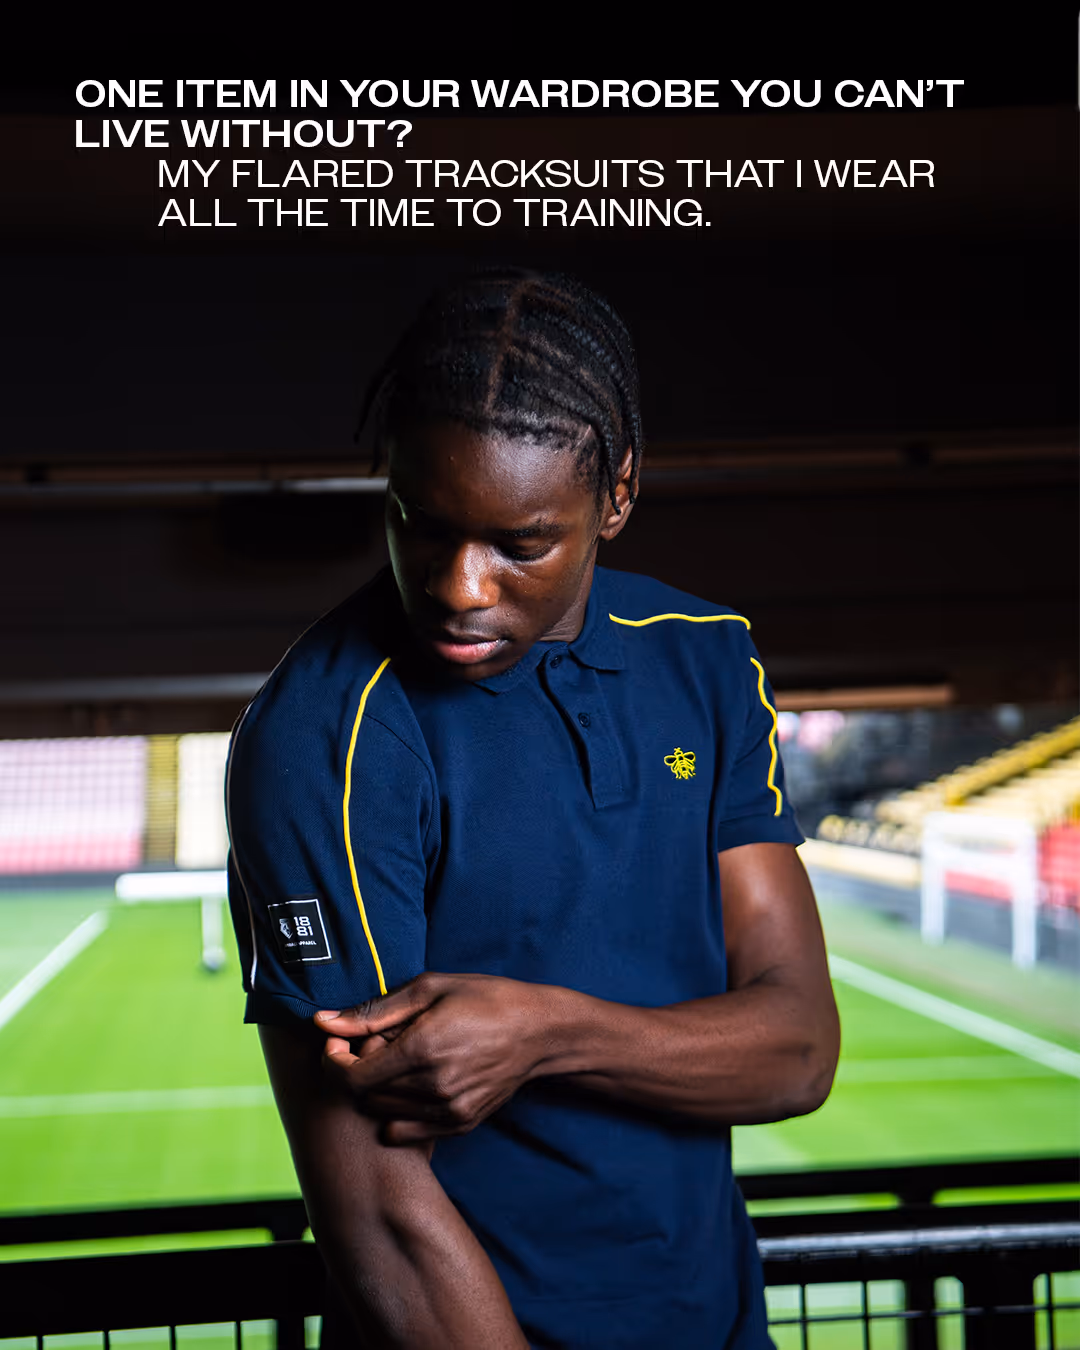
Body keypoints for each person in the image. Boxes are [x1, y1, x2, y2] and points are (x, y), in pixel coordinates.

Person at [225, 269, 840, 1349]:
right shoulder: (322, 736)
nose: (459, 585)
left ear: (617, 495)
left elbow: (796, 1052)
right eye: (420, 523)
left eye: (520, 544)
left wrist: (543, 1032)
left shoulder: (704, 657)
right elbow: (376, 1211)